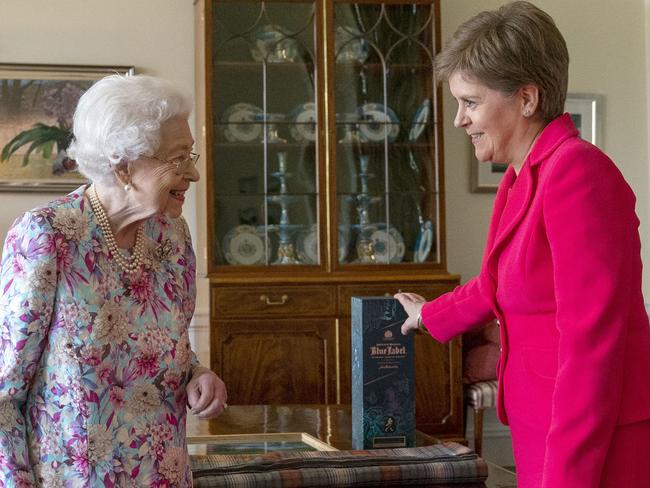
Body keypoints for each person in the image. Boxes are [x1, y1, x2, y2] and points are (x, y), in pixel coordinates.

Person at [395, 2, 650, 487]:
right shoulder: (521, 176)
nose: (459, 120)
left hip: (591, 437)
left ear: (527, 98)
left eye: (470, 102)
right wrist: (429, 316)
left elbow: (591, 343)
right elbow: (496, 282)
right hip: (544, 421)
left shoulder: (578, 172)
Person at [0, 75, 227, 486]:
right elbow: (5, 394)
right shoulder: (46, 236)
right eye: (177, 158)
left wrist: (198, 374)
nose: (192, 172)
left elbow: (174, 346)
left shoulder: (172, 236)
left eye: (189, 155)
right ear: (123, 166)